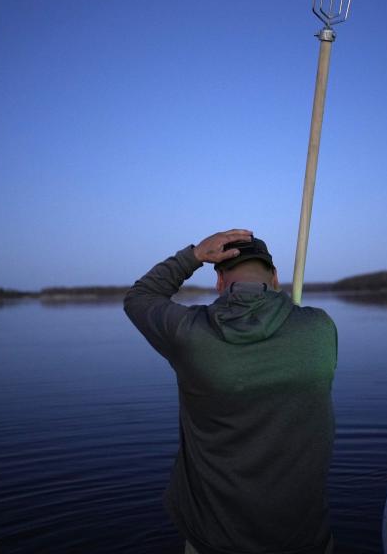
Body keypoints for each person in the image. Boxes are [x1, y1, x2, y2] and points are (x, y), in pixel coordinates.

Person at [124, 229, 338, 554]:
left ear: (220, 282)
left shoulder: (189, 334)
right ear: (276, 277)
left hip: (214, 542)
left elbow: (140, 298)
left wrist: (193, 255)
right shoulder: (320, 329)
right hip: (304, 540)